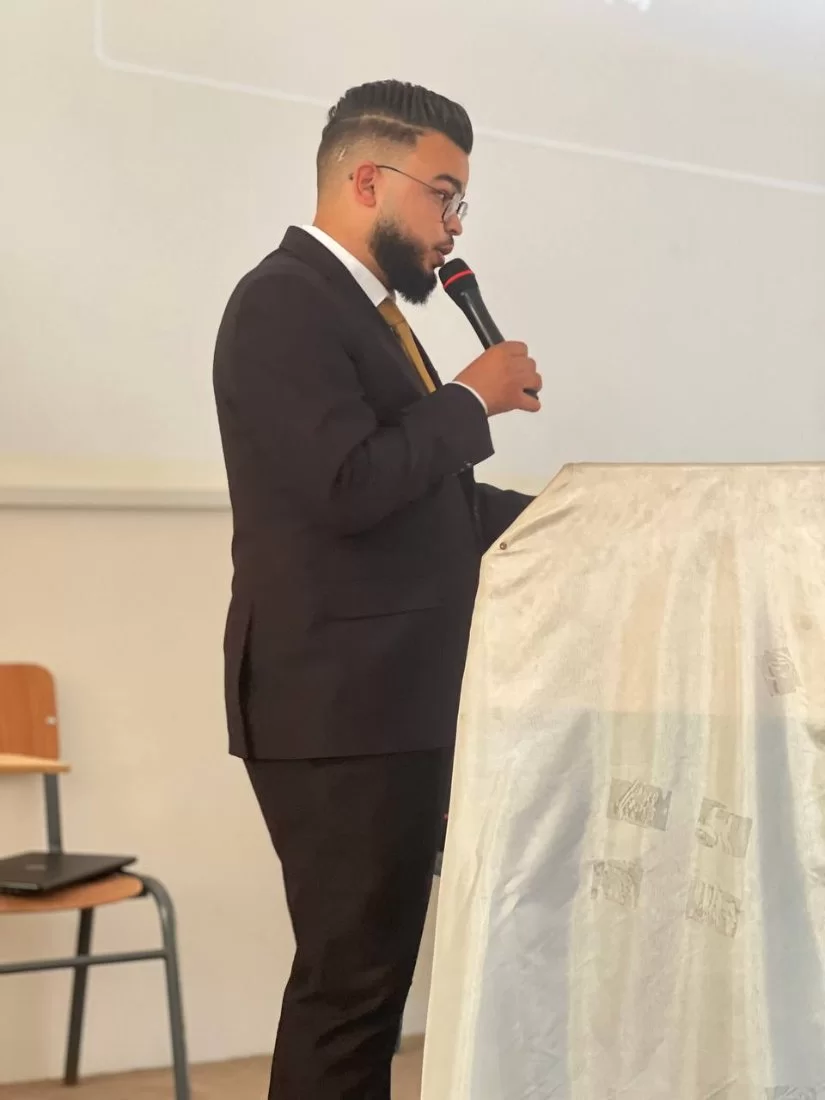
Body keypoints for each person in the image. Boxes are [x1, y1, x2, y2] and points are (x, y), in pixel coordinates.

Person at [212, 78, 542, 1099]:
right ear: (367, 180)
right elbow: (347, 483)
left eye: (460, 202)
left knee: (369, 989)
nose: (454, 225)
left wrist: (577, 516)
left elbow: (424, 498)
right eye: (444, 195)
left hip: (385, 702)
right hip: (338, 706)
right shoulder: (284, 302)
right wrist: (470, 396)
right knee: (349, 992)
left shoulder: (365, 313)